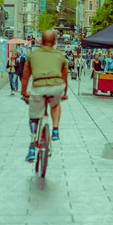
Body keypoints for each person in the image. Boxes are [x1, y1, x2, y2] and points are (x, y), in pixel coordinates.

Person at [21, 30, 68, 162]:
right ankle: (55, 130)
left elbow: (25, 77)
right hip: (56, 87)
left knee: (34, 116)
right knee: (56, 104)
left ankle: (32, 145)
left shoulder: (33, 55)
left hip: (38, 88)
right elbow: (65, 77)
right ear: (54, 42)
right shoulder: (60, 55)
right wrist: (64, 93)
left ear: (41, 41)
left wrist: (24, 92)